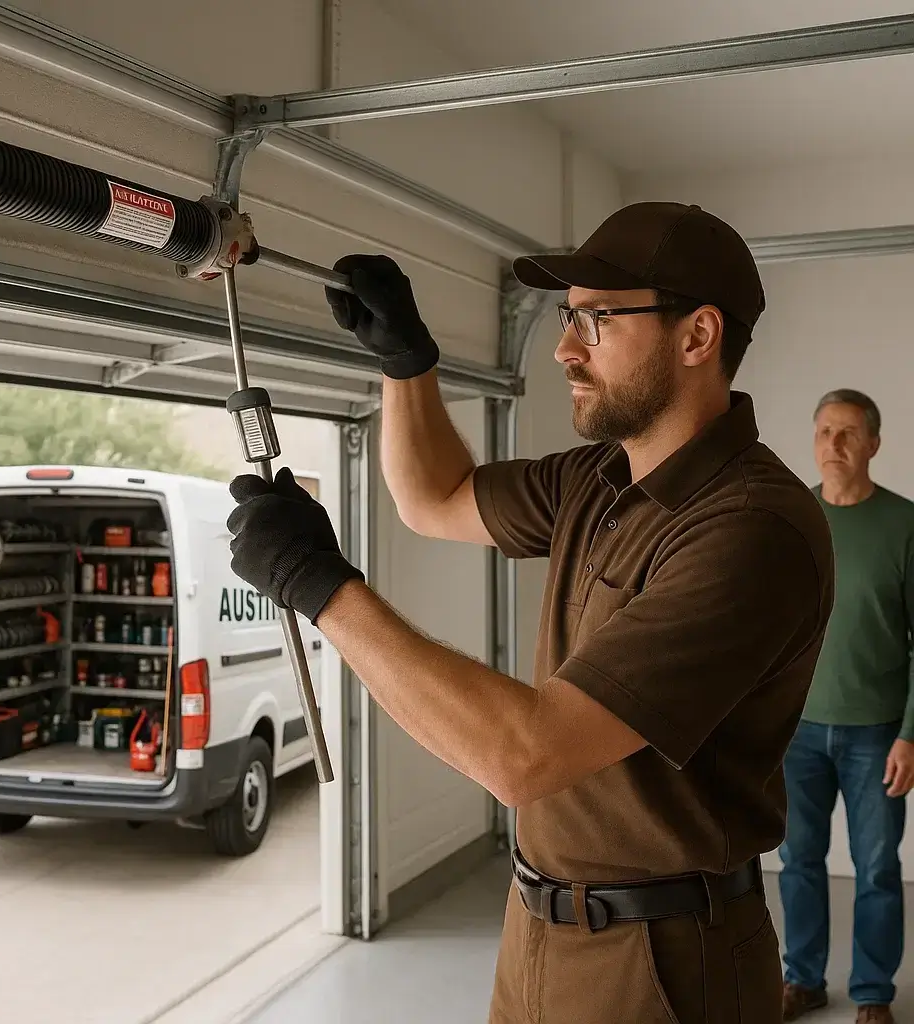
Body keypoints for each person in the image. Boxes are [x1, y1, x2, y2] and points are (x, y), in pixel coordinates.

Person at [224, 201, 835, 1023]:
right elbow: (434, 496)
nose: (564, 348)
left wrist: (316, 584)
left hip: (663, 960)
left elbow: (525, 754)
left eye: (597, 319)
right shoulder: (595, 479)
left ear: (697, 336)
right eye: (567, 316)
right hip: (536, 927)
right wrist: (407, 363)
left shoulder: (751, 528)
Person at [779, 389, 914, 1024]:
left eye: (848, 433)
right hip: (796, 732)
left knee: (878, 868)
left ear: (873, 445)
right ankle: (803, 980)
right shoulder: (790, 518)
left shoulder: (904, 525)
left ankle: (873, 994)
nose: (833, 444)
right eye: (824, 431)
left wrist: (910, 733)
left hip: (878, 735)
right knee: (798, 861)